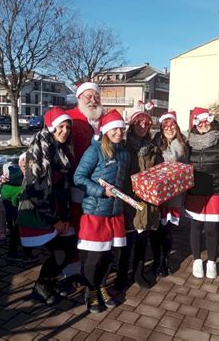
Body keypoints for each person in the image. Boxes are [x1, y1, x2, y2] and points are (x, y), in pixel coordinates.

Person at [17, 108, 78, 305]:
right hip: (38, 212)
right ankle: (41, 287)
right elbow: (36, 190)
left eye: (68, 127)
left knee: (67, 250)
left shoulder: (61, 150)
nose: (65, 131)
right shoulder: (37, 150)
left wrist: (65, 216)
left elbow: (65, 187)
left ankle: (48, 283)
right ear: (51, 128)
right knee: (61, 253)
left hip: (57, 211)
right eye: (60, 126)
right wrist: (56, 220)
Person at [74, 110, 130, 313]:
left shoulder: (124, 153)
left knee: (109, 257)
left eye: (121, 128)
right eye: (115, 128)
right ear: (106, 130)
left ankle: (101, 285)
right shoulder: (94, 151)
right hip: (96, 213)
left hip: (115, 213)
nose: (118, 132)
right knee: (94, 257)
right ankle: (91, 292)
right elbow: (79, 177)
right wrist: (101, 191)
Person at [185, 107, 219, 279]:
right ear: (194, 124)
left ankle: (212, 262)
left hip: (215, 192)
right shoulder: (188, 143)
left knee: (212, 228)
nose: (204, 124)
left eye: (207, 121)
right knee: (196, 226)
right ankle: (197, 260)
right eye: (200, 121)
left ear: (212, 122)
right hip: (194, 193)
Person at [118, 110, 162, 290]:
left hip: (147, 201)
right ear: (132, 124)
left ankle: (138, 273)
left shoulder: (152, 148)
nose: (143, 126)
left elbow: (159, 171)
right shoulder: (123, 146)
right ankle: (121, 274)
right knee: (126, 241)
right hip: (128, 200)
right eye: (139, 123)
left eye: (146, 124)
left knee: (142, 239)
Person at [150, 111, 188, 277]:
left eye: (172, 125)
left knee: (168, 230)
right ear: (161, 128)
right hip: (157, 193)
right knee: (156, 229)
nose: (169, 128)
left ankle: (165, 259)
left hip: (173, 195)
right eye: (166, 126)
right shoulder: (156, 142)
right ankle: (156, 260)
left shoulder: (182, 144)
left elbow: (176, 161)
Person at [67, 82, 105, 229]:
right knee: (76, 218)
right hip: (75, 177)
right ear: (79, 97)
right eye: (89, 96)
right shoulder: (70, 118)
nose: (93, 100)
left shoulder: (105, 119)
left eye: (96, 97)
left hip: (100, 179)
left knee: (95, 220)